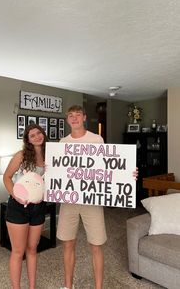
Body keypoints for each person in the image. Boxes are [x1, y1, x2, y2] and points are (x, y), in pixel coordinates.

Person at [57, 105, 137, 289]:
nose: (74, 118)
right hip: (68, 200)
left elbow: (107, 168)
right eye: (71, 116)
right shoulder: (62, 142)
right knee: (67, 244)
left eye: (78, 115)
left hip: (92, 200)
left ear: (84, 117)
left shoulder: (96, 139)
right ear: (67, 120)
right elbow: (60, 170)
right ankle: (68, 286)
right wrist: (50, 170)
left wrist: (127, 174)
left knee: (96, 245)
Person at [3, 124, 47, 289]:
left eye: (39, 133)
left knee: (32, 249)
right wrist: (17, 196)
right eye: (32, 135)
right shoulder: (21, 155)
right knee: (18, 251)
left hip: (39, 208)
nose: (37, 137)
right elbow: (7, 177)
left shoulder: (52, 156)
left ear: (43, 134)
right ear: (28, 140)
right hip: (18, 208)